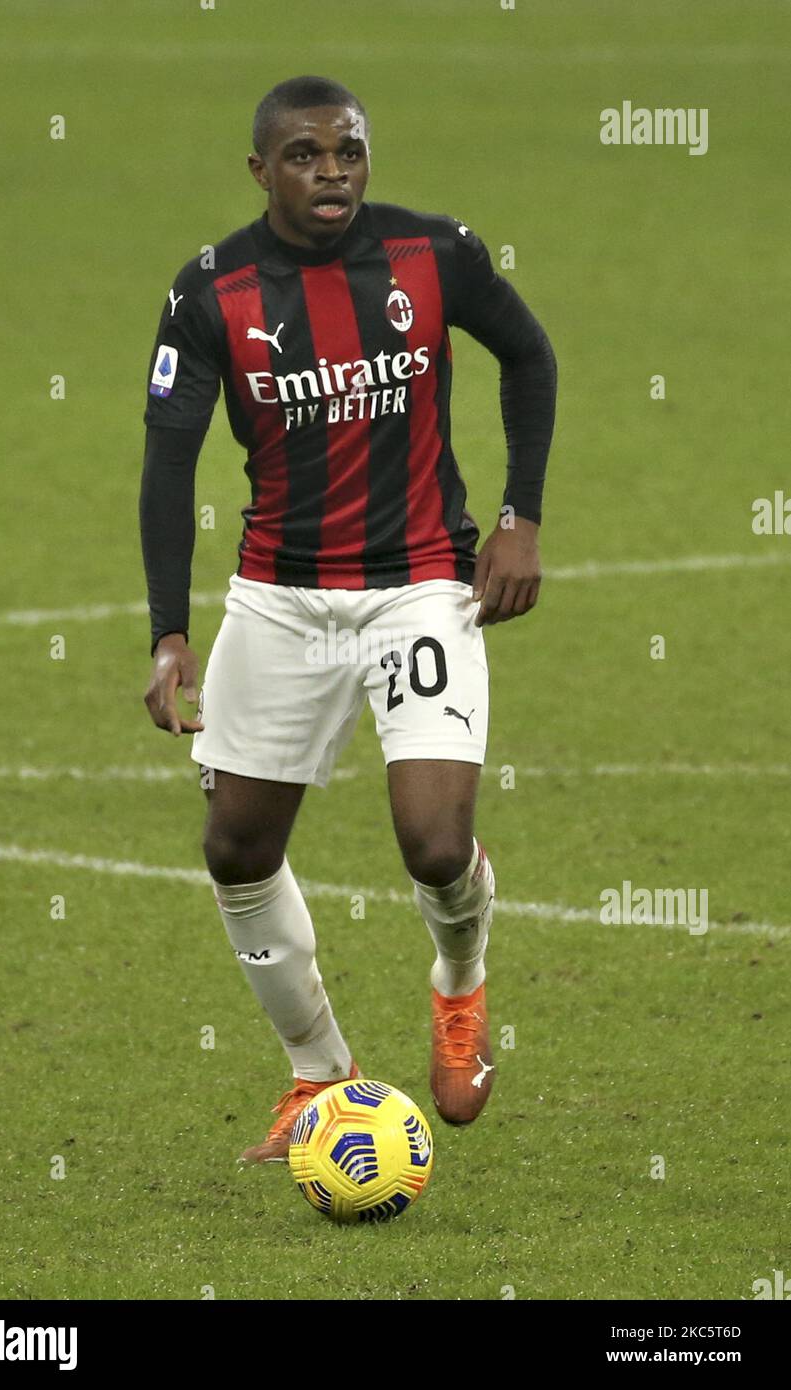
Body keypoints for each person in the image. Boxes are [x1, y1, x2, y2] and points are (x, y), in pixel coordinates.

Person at [140, 75, 556, 1163]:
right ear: (260, 170)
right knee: (236, 844)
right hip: (279, 597)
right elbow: (166, 460)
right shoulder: (210, 289)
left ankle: (458, 989)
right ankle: (318, 1072)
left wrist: (517, 517)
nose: (332, 173)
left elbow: (531, 354)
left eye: (348, 152)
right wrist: (169, 632)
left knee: (432, 843)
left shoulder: (432, 255)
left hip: (421, 581)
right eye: (305, 156)